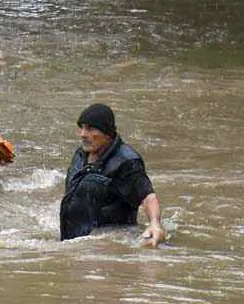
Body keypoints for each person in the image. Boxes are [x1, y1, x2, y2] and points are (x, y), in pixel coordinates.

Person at [60, 103, 166, 246]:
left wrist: (155, 224)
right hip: (73, 240)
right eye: (82, 127)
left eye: (90, 128)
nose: (83, 134)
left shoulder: (126, 161)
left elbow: (147, 196)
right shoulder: (80, 155)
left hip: (105, 245)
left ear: (107, 133)